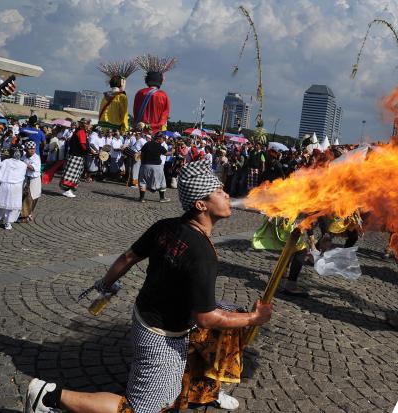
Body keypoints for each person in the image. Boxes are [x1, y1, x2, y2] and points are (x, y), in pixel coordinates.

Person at [24, 159, 273, 413]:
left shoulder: (166, 226)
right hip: (161, 335)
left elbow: (129, 257)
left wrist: (106, 284)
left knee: (227, 318)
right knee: (140, 409)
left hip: (146, 314)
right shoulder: (201, 253)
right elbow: (206, 317)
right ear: (201, 204)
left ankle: (205, 390)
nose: (227, 195)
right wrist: (253, 318)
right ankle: (48, 397)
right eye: (219, 192)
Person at [133, 54, 175, 133]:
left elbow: (135, 113)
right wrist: (151, 126)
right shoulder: (163, 95)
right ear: (160, 81)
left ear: (147, 80)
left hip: (139, 130)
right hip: (154, 132)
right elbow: (163, 118)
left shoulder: (139, 93)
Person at [98, 60, 137, 133]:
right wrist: (125, 129)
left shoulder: (105, 96)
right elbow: (124, 114)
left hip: (101, 128)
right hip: (114, 130)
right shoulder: (122, 97)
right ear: (122, 83)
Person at [0, 146, 27, 229]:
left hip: (5, 184)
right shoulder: (24, 165)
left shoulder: (5, 161)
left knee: (2, 203)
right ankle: (8, 222)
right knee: (13, 205)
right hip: (16, 186)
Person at [60, 119, 90, 198]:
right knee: (73, 174)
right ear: (84, 125)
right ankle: (68, 190)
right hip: (77, 156)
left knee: (71, 173)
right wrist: (89, 151)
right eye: (88, 124)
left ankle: (67, 190)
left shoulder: (78, 131)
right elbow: (83, 145)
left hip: (74, 155)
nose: (88, 126)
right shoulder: (81, 132)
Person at [138, 133, 170, 203]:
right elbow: (166, 153)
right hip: (156, 167)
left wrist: (143, 162)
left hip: (145, 166)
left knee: (143, 181)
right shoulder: (160, 146)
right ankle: (162, 198)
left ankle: (142, 198)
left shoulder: (147, 144)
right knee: (161, 181)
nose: (163, 140)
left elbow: (141, 153)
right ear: (159, 139)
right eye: (163, 139)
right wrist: (173, 151)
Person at [21, 141, 42, 222]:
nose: (32, 150)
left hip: (34, 179)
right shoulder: (24, 157)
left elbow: (32, 168)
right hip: (26, 178)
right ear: (26, 149)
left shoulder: (36, 157)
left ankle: (28, 214)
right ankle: (25, 215)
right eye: (30, 149)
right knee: (25, 197)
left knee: (33, 197)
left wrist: (22, 164)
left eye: (33, 149)